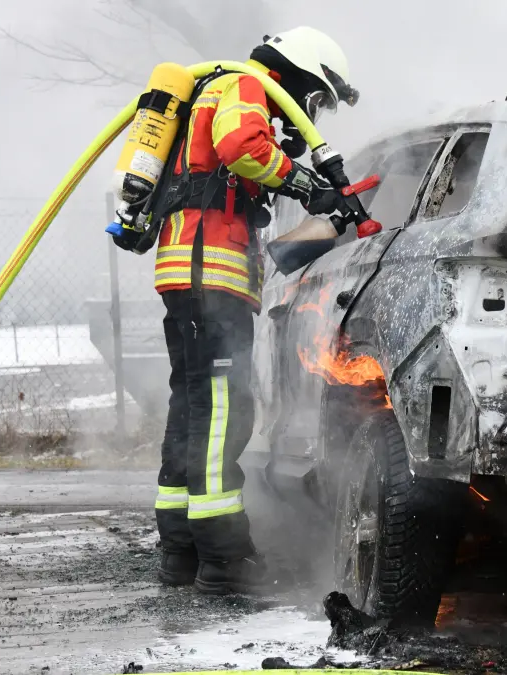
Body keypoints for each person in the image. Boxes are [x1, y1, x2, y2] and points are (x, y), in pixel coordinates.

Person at [149, 27, 362, 595]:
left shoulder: (218, 93)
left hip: (187, 275)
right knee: (224, 411)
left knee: (193, 408)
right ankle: (224, 558)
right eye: (313, 97)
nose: (305, 114)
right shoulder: (247, 85)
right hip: (209, 274)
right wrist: (307, 184)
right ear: (299, 73)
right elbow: (241, 148)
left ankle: (180, 551)